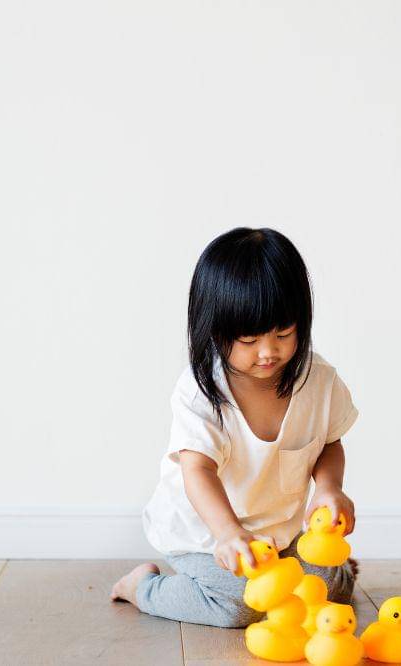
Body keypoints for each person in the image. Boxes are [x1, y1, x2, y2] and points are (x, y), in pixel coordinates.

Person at [110, 227, 360, 628]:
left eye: (283, 333)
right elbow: (198, 470)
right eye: (248, 339)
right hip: (203, 535)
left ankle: (333, 573)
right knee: (240, 606)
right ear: (214, 330)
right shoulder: (201, 392)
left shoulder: (320, 381)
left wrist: (329, 488)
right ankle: (142, 587)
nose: (268, 351)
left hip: (276, 534)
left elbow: (330, 443)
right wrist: (228, 533)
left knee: (325, 589)